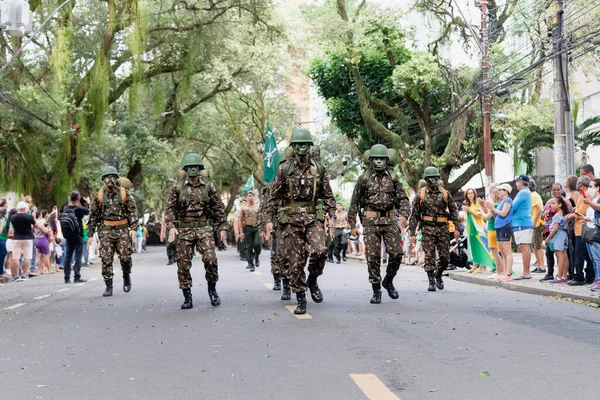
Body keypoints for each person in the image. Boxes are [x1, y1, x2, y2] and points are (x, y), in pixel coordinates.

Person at [265, 128, 336, 315]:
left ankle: (313, 279)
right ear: (294, 147)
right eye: (298, 144)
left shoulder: (319, 168)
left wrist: (333, 215)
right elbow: (273, 197)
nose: (302, 147)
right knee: (295, 262)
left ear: (310, 147)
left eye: (305, 144)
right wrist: (268, 220)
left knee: (320, 251)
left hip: (313, 219)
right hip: (290, 221)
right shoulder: (284, 169)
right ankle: (301, 298)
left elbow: (328, 195)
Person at [348, 144, 409, 303]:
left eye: (382, 159)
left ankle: (388, 280)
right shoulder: (363, 179)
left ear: (386, 160)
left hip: (389, 220)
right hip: (370, 221)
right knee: (373, 256)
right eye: (376, 159)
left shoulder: (393, 177)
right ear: (371, 160)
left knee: (397, 253)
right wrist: (352, 225)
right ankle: (376, 290)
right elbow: (354, 202)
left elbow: (403, 198)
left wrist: (404, 215)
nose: (379, 162)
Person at [165, 153, 227, 309]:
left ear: (200, 169)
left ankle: (212, 290)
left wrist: (223, 227)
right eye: (190, 167)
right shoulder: (177, 187)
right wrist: (171, 226)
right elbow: (170, 209)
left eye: (196, 167)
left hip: (203, 227)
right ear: (186, 169)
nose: (193, 169)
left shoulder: (208, 186)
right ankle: (187, 296)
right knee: (183, 264)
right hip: (184, 229)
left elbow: (218, 208)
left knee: (210, 259)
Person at [88, 167, 138, 296]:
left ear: (116, 179)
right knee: (106, 259)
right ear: (103, 180)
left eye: (112, 177)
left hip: (122, 230)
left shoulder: (124, 194)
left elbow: (132, 212)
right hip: (105, 231)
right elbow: (93, 216)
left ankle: (126, 275)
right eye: (107, 177)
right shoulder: (98, 195)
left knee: (125, 257)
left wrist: (133, 229)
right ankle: (108, 285)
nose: (110, 179)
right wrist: (90, 235)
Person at [409, 166, 460, 291]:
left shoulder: (445, 193)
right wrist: (412, 233)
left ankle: (438, 275)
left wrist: (457, 228)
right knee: (429, 256)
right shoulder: (420, 195)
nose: (433, 180)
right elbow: (414, 214)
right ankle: (431, 280)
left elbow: (454, 211)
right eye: (431, 178)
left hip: (443, 228)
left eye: (435, 177)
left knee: (445, 257)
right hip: (427, 229)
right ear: (426, 179)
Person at [10, 202, 49, 281]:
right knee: (27, 257)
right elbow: (37, 226)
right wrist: (34, 218)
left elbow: (11, 228)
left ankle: (17, 276)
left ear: (18, 208)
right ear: (25, 208)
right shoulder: (29, 217)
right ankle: (24, 275)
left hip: (17, 238)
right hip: (28, 238)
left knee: (16, 258)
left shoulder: (13, 217)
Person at [567, 175, 594, 285]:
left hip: (581, 229)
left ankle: (579, 277)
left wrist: (570, 216)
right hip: (583, 228)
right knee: (587, 254)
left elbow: (580, 212)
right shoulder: (586, 195)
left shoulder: (585, 195)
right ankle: (589, 276)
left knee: (580, 254)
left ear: (580, 184)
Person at [486, 183, 514, 281]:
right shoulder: (502, 202)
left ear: (506, 191)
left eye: (501, 190)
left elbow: (503, 213)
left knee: (507, 251)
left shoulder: (508, 200)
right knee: (502, 251)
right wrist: (491, 209)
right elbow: (496, 215)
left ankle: (508, 273)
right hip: (498, 226)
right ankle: (504, 272)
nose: (499, 192)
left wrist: (493, 208)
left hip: (505, 226)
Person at [61, 191, 90, 283]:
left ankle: (67, 277)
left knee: (68, 256)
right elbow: (88, 211)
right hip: (78, 234)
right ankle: (77, 277)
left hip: (68, 235)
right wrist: (87, 203)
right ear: (78, 198)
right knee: (78, 255)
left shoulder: (66, 208)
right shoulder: (79, 209)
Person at [512, 175, 534, 280]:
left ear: (521, 182)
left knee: (524, 247)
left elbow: (513, 207)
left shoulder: (523, 193)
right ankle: (526, 271)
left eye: (517, 181)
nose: (516, 183)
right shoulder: (526, 192)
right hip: (523, 222)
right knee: (524, 247)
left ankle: (526, 272)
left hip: (522, 223)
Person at [545, 197, 569, 283]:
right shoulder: (562, 214)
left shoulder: (556, 216)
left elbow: (555, 229)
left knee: (560, 256)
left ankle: (559, 277)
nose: (551, 205)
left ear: (560, 204)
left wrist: (548, 238)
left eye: (554, 203)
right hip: (563, 235)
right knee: (564, 255)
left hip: (558, 236)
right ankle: (564, 276)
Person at [480, 187, 502, 279]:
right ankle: (500, 271)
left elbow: (486, 218)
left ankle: (499, 271)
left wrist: (481, 209)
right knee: (497, 252)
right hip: (494, 230)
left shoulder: (495, 205)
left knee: (495, 252)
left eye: (491, 195)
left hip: (492, 230)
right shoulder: (499, 205)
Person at [582, 178, 600, 290]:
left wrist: (589, 203)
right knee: (593, 258)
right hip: (590, 232)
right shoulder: (593, 199)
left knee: (597, 257)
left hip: (595, 232)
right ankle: (596, 278)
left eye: (592, 186)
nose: (589, 189)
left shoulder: (597, 200)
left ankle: (599, 279)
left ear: (598, 188)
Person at [462, 188, 485, 273]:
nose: (470, 195)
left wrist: (470, 211)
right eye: (468, 193)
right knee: (472, 247)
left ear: (474, 194)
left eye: (471, 193)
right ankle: (474, 266)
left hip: (478, 227)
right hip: (470, 228)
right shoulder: (467, 204)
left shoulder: (477, 204)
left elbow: (480, 216)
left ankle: (482, 266)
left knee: (479, 246)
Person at [239, 190, 261, 271]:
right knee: (248, 247)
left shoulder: (259, 206)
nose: (251, 197)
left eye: (252, 195)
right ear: (246, 198)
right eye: (249, 196)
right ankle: (251, 263)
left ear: (254, 197)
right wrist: (241, 232)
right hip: (248, 228)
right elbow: (240, 220)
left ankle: (257, 256)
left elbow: (262, 217)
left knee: (257, 244)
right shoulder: (243, 207)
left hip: (257, 228)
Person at [529, 179, 546, 274]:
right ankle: (539, 265)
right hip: (536, 223)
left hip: (537, 223)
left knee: (537, 245)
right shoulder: (534, 195)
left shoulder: (533, 196)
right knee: (534, 245)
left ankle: (542, 266)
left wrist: (534, 221)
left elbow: (539, 210)